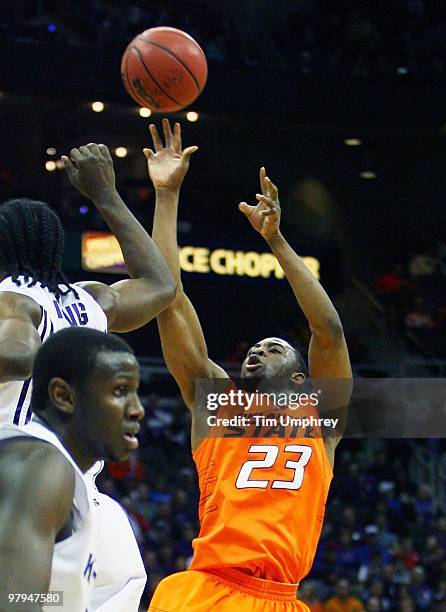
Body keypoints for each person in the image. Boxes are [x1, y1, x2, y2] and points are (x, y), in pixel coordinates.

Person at [146, 119, 352, 611]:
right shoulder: (217, 405)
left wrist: (277, 241)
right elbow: (169, 301)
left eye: (275, 347)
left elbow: (329, 332)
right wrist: (167, 196)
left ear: (302, 380)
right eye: (255, 347)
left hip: (280, 597)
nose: (258, 350)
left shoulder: (321, 421)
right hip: (210, 591)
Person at [0, 143, 175, 610]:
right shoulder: (89, 301)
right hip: (93, 518)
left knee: (20, 599)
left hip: (20, 489)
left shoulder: (10, 301)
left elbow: (17, 354)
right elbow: (161, 285)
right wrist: (106, 194)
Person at [0, 326, 145, 611]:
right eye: (119, 391)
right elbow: (12, 602)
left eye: (135, 392)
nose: (137, 409)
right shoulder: (41, 467)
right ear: (63, 396)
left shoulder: (51, 467)